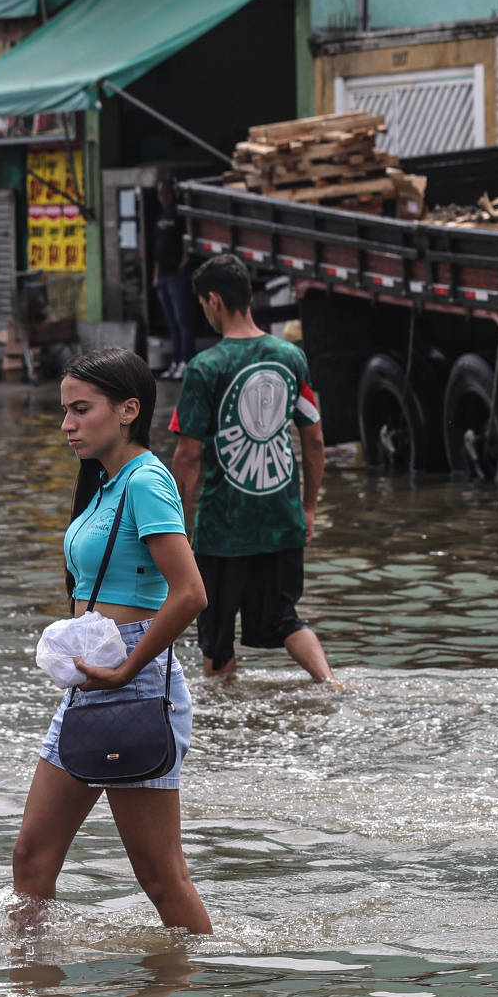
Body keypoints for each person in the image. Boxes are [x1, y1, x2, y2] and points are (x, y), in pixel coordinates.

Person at [13, 347, 212, 932]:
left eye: (81, 410)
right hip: (89, 683)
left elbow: (190, 593)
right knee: (32, 857)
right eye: (64, 411)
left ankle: (209, 990)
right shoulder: (104, 483)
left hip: (137, 682)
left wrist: (126, 670)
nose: (67, 425)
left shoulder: (147, 480)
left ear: (128, 410)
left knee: (158, 873)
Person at [167, 254, 336, 685]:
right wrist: (309, 509)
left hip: (225, 530)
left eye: (204, 303)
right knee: (286, 620)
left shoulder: (206, 368)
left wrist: (173, 526)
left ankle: (226, 733)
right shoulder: (291, 357)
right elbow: (314, 439)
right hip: (281, 519)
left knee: (217, 644)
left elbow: (188, 456)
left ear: (214, 300)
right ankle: (330, 682)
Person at [149, 184, 197, 373]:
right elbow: (156, 250)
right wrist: (155, 275)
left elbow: (189, 238)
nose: (163, 197)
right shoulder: (160, 218)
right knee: (172, 323)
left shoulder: (180, 214)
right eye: (160, 193)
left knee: (183, 320)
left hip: (177, 276)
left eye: (166, 192)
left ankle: (187, 361)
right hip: (162, 277)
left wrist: (183, 263)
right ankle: (176, 361)